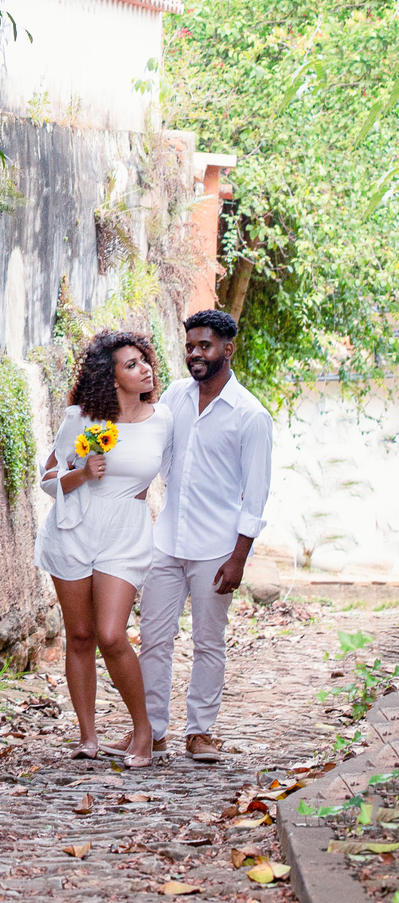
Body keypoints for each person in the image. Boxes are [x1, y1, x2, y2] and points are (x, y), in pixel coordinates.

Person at [112, 308, 272, 763]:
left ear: (228, 349)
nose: (195, 354)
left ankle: (200, 731)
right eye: (189, 347)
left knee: (208, 642)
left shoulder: (251, 415)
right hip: (166, 541)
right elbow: (155, 454)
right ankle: (152, 731)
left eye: (205, 345)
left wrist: (238, 558)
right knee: (153, 638)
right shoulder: (175, 397)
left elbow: (256, 495)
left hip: (216, 550)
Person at [35, 330, 173, 765]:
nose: (144, 368)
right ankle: (88, 736)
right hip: (74, 529)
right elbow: (47, 480)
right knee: (80, 635)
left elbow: (177, 473)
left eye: (144, 360)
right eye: (131, 364)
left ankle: (144, 732)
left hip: (125, 533)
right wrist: (82, 473)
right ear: (111, 378)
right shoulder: (83, 419)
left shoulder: (163, 420)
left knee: (111, 635)